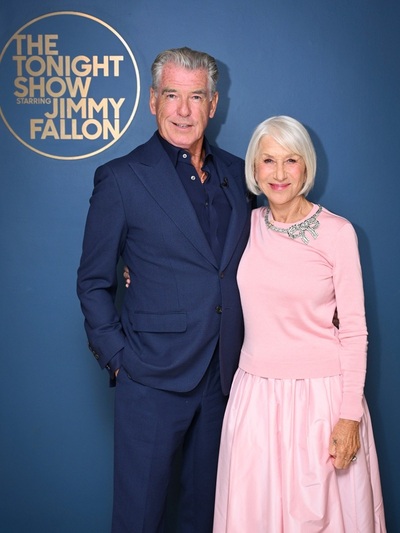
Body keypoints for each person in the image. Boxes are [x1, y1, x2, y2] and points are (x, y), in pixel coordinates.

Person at [77, 47, 253, 532]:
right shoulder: (121, 178)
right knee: (140, 519)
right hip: (151, 379)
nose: (183, 110)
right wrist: (120, 360)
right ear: (153, 100)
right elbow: (93, 281)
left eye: (196, 97)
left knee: (209, 518)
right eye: (172, 95)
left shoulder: (241, 175)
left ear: (212, 104)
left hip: (225, 379)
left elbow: (261, 256)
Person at [213, 116, 386, 532]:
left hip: (322, 403)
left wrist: (349, 417)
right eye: (268, 160)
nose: (279, 173)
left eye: (290, 160)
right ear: (254, 168)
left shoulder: (337, 233)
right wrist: (133, 272)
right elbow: (194, 269)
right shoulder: (242, 226)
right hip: (255, 399)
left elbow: (355, 330)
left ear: (306, 165)